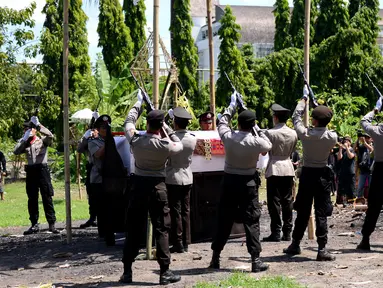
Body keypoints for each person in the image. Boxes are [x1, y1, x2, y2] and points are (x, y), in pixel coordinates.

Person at [120, 91, 183, 285]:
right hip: (158, 188)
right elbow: (178, 144)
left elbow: (128, 123)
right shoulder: (165, 145)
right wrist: (166, 127)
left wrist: (138, 105)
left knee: (133, 229)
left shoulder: (137, 141)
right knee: (161, 230)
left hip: (138, 186)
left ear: (147, 124)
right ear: (161, 125)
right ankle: (164, 272)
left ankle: (128, 272)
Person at [208, 92, 272, 273]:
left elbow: (222, 123)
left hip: (229, 182)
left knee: (224, 221)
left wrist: (232, 106)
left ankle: (215, 257)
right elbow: (267, 144)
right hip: (248, 184)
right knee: (251, 221)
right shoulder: (256, 141)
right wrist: (256, 128)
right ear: (251, 126)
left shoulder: (229, 137)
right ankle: (255, 259)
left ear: (238, 124)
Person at [283, 86, 337, 261]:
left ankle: (295, 244)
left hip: (307, 175)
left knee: (303, 211)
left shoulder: (306, 134)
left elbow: (295, 117)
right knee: (321, 213)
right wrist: (318, 107)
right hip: (322, 176)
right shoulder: (332, 137)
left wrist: (304, 100)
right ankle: (322, 249)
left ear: (314, 121)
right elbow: (326, 123)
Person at [14, 116, 59, 235]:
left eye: (29, 128)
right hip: (31, 171)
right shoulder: (24, 142)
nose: (27, 130)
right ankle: (34, 224)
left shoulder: (42, 140)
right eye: (25, 129)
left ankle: (52, 224)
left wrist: (39, 126)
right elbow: (16, 151)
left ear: (34, 130)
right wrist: (25, 139)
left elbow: (50, 136)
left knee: (47, 196)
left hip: (42, 170)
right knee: (32, 198)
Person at [263, 104, 297, 242]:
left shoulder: (270, 133)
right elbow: (293, 150)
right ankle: (288, 232)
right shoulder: (293, 133)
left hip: (274, 167)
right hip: (288, 167)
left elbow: (264, 151)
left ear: (275, 117)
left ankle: (276, 232)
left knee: (274, 202)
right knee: (287, 201)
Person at [166, 107, 197, 253]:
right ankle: (186, 241)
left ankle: (177, 242)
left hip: (173, 176)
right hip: (187, 175)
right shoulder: (192, 138)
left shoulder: (171, 138)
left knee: (176, 211)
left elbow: (170, 137)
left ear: (175, 123)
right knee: (186, 211)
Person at [356, 97, 383, 251]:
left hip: (380, 171)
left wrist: (375, 109)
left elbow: (364, 121)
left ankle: (366, 238)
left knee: (373, 207)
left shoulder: (377, 130)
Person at [87, 114, 115, 245]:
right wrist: (109, 142)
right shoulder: (93, 141)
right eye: (103, 127)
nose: (106, 129)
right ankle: (103, 233)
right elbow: (98, 154)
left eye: (108, 126)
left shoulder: (113, 139)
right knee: (101, 208)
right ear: (98, 128)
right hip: (98, 178)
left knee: (111, 207)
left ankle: (111, 232)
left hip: (111, 178)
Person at [77, 111, 99, 228]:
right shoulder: (88, 139)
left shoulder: (102, 138)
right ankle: (92, 217)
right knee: (91, 193)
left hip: (102, 167)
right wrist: (85, 138)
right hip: (91, 167)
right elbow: (79, 149)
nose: (94, 131)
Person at [337, 136, 356, 204]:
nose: (345, 142)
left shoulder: (352, 149)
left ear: (350, 142)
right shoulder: (343, 150)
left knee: (351, 188)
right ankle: (342, 202)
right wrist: (340, 148)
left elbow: (350, 156)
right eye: (344, 141)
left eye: (347, 141)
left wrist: (347, 148)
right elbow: (339, 157)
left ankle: (351, 202)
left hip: (350, 172)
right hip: (343, 172)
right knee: (342, 188)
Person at [355, 134, 373, 198]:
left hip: (371, 170)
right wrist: (358, 139)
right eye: (365, 137)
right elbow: (355, 148)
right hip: (363, 170)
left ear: (371, 138)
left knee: (372, 188)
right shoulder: (362, 147)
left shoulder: (374, 145)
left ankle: (371, 201)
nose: (366, 139)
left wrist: (365, 142)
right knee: (360, 187)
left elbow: (372, 150)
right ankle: (359, 200)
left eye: (368, 137)